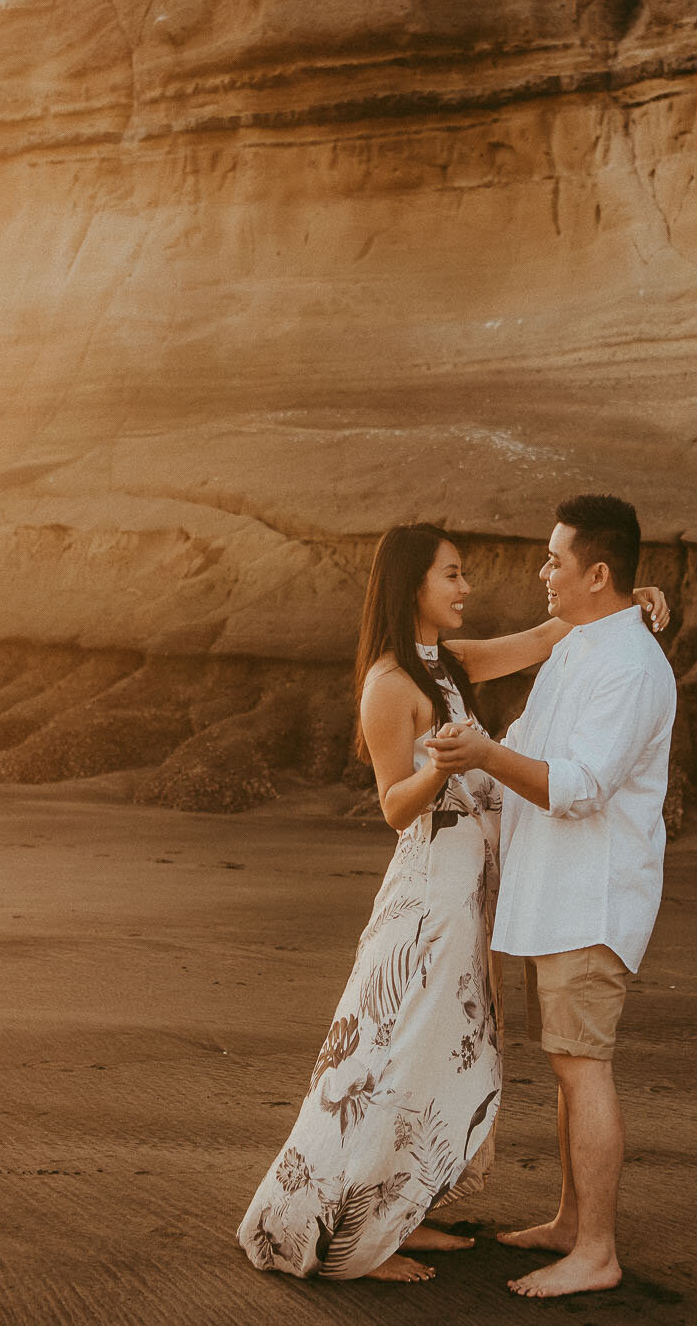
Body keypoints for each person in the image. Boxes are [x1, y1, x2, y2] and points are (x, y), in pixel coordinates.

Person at [237, 522, 669, 1284]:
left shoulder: (449, 664)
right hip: (429, 896)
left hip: (471, 897)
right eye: (452, 575)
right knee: (391, 1054)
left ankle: (397, 1212)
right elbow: (394, 808)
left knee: (433, 1061)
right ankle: (350, 1241)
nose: (466, 587)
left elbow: (547, 631)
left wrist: (634, 601)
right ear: (413, 586)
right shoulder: (388, 683)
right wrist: (446, 766)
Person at [424, 494, 676, 1299]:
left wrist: (486, 754)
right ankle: (572, 1220)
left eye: (554, 560)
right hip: (555, 896)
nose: (542, 572)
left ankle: (596, 1250)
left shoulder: (632, 667)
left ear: (597, 573)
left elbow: (579, 786)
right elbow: (528, 747)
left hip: (592, 899)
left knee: (585, 1068)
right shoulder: (583, 647)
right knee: (569, 1067)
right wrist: (464, 768)